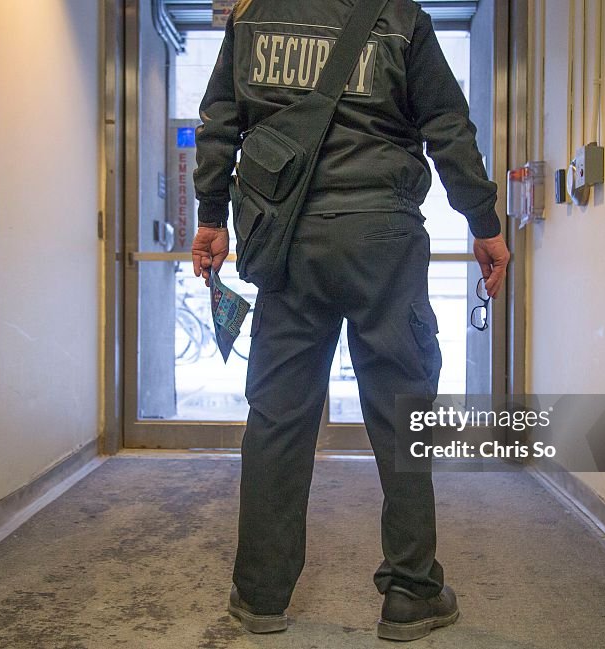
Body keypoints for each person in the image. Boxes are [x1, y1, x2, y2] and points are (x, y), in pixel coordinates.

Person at [191, 0, 511, 641]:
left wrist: (211, 217)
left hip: (285, 240)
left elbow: (220, 125)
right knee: (401, 415)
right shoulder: (401, 17)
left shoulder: (253, 18)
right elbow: (448, 125)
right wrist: (484, 223)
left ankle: (259, 595)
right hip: (382, 239)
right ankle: (412, 594)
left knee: (279, 415)